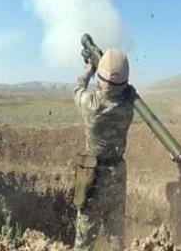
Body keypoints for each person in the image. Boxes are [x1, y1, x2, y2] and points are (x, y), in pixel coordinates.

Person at [73, 48, 135, 251]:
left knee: (84, 239)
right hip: (117, 173)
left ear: (101, 78)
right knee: (116, 235)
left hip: (93, 177)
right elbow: (125, 90)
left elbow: (78, 88)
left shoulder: (91, 105)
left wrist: (89, 69)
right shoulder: (129, 105)